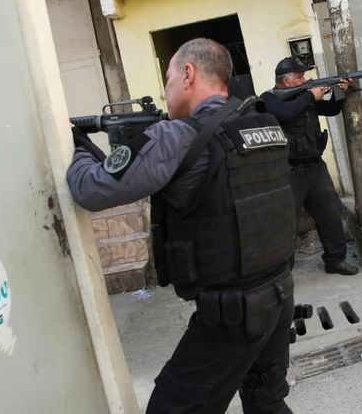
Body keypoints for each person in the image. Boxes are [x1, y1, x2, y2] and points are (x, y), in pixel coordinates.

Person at [67, 38, 297, 414]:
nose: (164, 88)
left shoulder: (177, 137)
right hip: (279, 297)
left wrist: (75, 145)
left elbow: (89, 188)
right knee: (266, 404)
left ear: (188, 74)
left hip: (232, 316)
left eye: (169, 76)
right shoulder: (262, 123)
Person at [260, 56, 359, 276]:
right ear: (285, 82)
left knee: (330, 213)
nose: (304, 79)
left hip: (315, 168)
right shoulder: (268, 99)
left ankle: (335, 260)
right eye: (300, 77)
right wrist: (309, 95)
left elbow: (332, 109)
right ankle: (281, 273)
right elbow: (284, 113)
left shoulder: (304, 98)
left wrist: (339, 91)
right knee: (286, 223)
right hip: (288, 172)